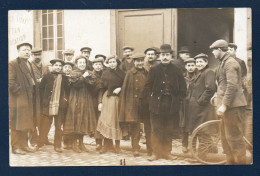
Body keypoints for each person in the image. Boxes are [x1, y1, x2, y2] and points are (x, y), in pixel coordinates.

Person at [145, 44, 187, 161]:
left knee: (169, 129)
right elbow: (147, 87)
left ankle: (167, 152)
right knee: (156, 129)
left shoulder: (177, 70)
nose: (165, 57)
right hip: (156, 104)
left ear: (171, 56)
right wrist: (151, 100)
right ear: (159, 56)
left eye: (167, 55)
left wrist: (177, 99)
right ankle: (156, 153)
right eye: (163, 55)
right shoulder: (154, 70)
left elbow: (183, 88)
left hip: (171, 104)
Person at [210, 39, 247, 164]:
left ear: (220, 50)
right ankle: (230, 164)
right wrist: (216, 95)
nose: (213, 53)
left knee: (235, 138)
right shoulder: (223, 62)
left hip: (233, 107)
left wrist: (224, 104)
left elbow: (232, 86)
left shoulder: (230, 63)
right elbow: (223, 84)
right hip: (227, 106)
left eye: (214, 51)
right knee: (226, 138)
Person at [184, 54, 217, 154]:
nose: (198, 64)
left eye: (201, 62)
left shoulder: (209, 72)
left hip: (203, 109)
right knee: (198, 131)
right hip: (196, 109)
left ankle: (202, 156)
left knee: (203, 132)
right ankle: (205, 152)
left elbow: (210, 89)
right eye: (197, 62)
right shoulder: (200, 73)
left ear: (206, 62)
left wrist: (200, 102)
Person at [64, 55, 97, 153]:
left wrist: (87, 77)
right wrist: (84, 77)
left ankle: (81, 143)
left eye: (84, 63)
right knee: (76, 119)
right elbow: (76, 85)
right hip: (76, 99)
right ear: (77, 64)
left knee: (83, 120)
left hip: (86, 98)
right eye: (80, 63)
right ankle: (74, 143)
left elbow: (92, 85)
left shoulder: (89, 73)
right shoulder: (73, 73)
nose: (82, 64)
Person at [9, 42, 37, 154]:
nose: (27, 52)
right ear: (18, 51)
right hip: (18, 100)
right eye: (24, 49)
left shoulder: (29, 64)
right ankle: (16, 147)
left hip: (28, 99)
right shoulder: (13, 63)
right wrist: (21, 93)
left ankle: (24, 145)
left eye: (28, 50)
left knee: (26, 122)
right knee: (16, 123)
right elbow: (10, 82)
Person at [119, 53, 149, 157]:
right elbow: (125, 90)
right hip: (134, 103)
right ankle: (135, 147)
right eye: (137, 61)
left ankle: (150, 147)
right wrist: (127, 106)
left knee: (147, 125)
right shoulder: (130, 73)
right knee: (135, 126)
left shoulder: (146, 72)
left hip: (144, 103)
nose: (140, 63)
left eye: (141, 61)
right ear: (134, 62)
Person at [38, 58, 69, 152]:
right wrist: (44, 101)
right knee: (45, 125)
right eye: (56, 65)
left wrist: (65, 99)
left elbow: (67, 91)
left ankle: (57, 145)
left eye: (60, 66)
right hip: (48, 104)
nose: (58, 67)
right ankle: (40, 143)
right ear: (52, 66)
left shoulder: (64, 78)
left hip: (60, 105)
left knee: (59, 126)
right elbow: (41, 89)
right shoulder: (46, 76)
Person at [96, 55, 125, 154]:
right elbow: (101, 88)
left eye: (114, 62)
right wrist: (100, 102)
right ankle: (106, 146)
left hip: (117, 99)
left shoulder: (122, 74)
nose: (112, 64)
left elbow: (126, 85)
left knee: (116, 121)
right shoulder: (105, 73)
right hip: (107, 98)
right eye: (110, 62)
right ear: (108, 63)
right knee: (106, 120)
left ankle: (117, 146)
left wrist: (121, 88)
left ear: (117, 62)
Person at [30, 47, 53, 147]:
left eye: (39, 54)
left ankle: (44, 138)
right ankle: (34, 138)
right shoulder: (29, 66)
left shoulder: (46, 67)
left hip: (44, 96)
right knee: (34, 117)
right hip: (33, 96)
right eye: (35, 55)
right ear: (32, 56)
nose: (37, 57)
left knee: (46, 118)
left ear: (41, 55)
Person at [180, 58, 197, 153]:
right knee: (184, 125)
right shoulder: (182, 78)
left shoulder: (198, 77)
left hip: (194, 104)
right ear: (186, 67)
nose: (190, 68)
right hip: (184, 105)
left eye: (192, 65)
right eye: (189, 66)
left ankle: (193, 146)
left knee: (194, 125)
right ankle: (184, 145)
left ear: (195, 66)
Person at [90, 54, 106, 151]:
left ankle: (106, 143)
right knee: (97, 121)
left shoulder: (105, 74)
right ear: (93, 66)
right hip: (94, 100)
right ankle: (98, 142)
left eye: (100, 64)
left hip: (105, 99)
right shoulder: (91, 75)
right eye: (96, 64)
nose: (98, 66)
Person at [62, 61, 74, 150]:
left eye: (69, 68)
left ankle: (72, 141)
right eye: (65, 67)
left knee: (72, 122)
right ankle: (65, 141)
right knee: (65, 122)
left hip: (73, 101)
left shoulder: (73, 78)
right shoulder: (61, 78)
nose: (67, 69)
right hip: (64, 102)